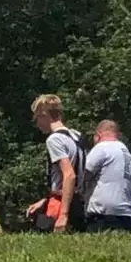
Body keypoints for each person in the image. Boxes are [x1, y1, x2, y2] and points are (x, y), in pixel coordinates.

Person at [26, 94, 88, 233]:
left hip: (61, 204)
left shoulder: (54, 140)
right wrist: (44, 200)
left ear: (44, 115)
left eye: (37, 118)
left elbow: (69, 175)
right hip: (78, 203)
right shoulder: (76, 136)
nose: (37, 124)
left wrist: (63, 215)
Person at [83, 120, 131, 232]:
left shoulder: (102, 147)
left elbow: (83, 174)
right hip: (129, 216)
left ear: (98, 135)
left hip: (105, 216)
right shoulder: (127, 154)